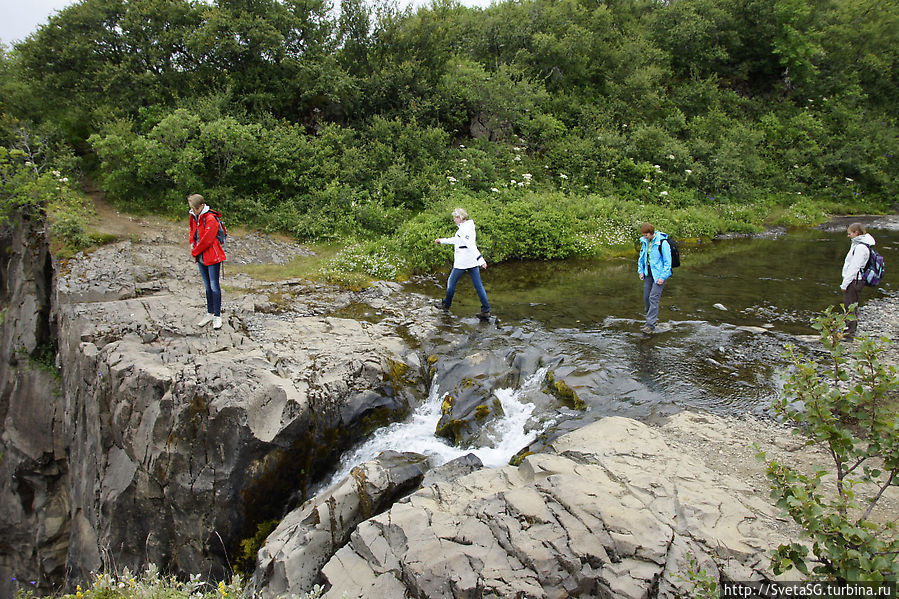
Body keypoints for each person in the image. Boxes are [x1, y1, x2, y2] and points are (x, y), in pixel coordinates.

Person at [434, 207, 490, 319]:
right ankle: (486, 310)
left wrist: (481, 260)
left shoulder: (464, 229)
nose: (454, 220)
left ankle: (446, 305)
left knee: (451, 282)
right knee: (478, 285)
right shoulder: (467, 226)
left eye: (455, 218)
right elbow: (457, 240)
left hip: (463, 262)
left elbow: (471, 245)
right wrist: (442, 240)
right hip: (471, 261)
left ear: (459, 218)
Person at [188, 193, 226, 330]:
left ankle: (217, 316)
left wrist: (195, 251)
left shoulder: (210, 219)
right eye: (191, 208)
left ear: (201, 206)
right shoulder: (193, 216)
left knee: (214, 285)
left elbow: (207, 240)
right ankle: (209, 313)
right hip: (201, 257)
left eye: (194, 208)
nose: (192, 210)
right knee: (207, 286)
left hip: (212, 256)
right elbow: (192, 231)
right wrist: (192, 242)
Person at [840, 222, 876, 339]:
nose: (849, 236)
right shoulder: (860, 245)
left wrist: (844, 284)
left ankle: (849, 333)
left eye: (850, 233)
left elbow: (854, 267)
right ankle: (850, 331)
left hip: (854, 281)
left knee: (849, 306)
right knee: (852, 306)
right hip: (856, 280)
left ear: (857, 233)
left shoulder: (860, 248)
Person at [637, 222, 672, 334]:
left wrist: (663, 277)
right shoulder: (645, 242)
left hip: (660, 274)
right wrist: (641, 271)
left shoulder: (663, 243)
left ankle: (650, 325)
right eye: (643, 235)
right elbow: (642, 257)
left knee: (653, 297)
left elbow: (668, 262)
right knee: (646, 297)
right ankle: (650, 319)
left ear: (651, 233)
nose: (644, 237)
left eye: (646, 235)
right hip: (648, 273)